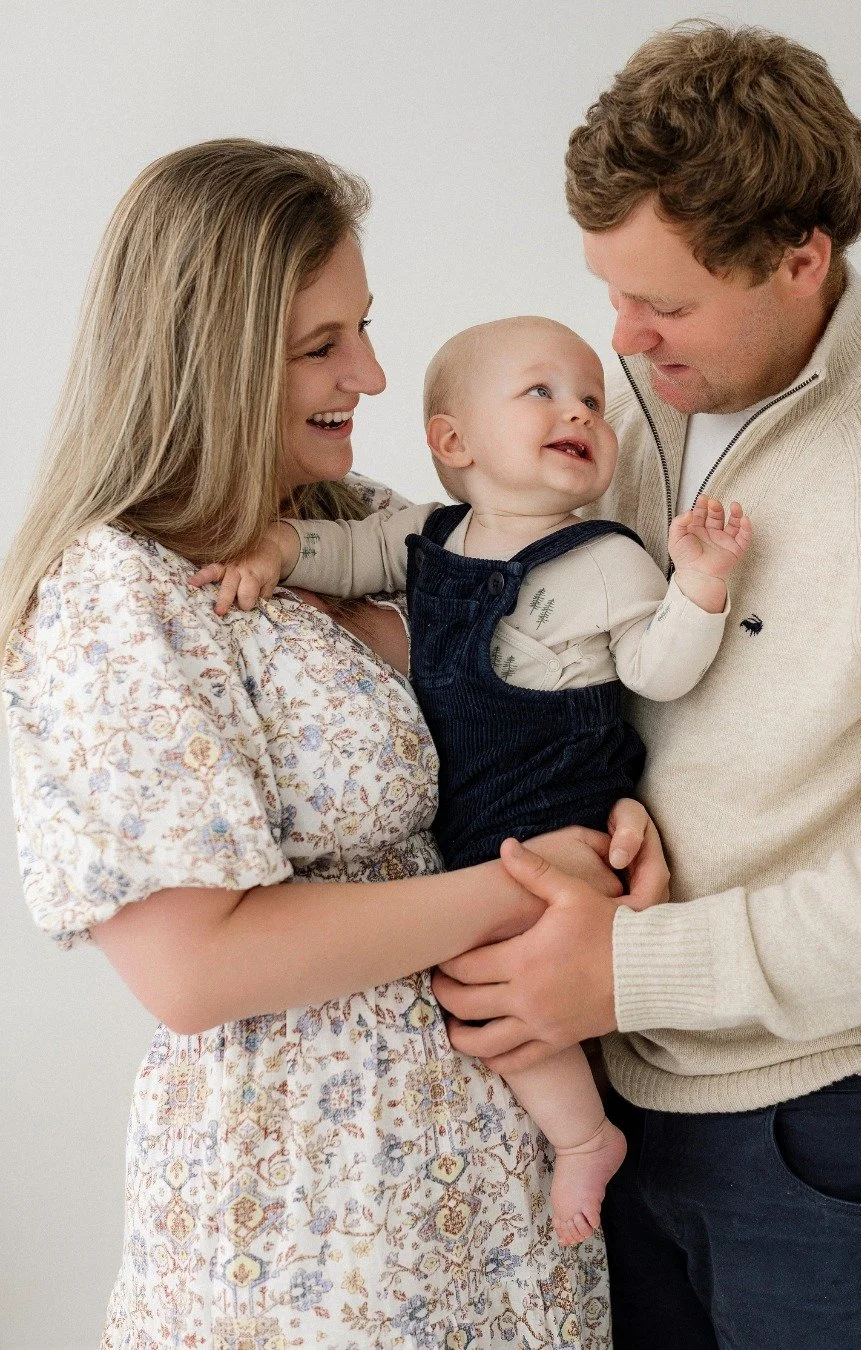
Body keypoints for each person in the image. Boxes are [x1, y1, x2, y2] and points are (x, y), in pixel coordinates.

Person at [431, 21, 861, 1348]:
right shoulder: (624, 408)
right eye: (610, 290)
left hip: (850, 1127)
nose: (621, 335)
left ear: (799, 262)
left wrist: (629, 964)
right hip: (621, 1102)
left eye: (661, 305)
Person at [0, 139, 668, 1348]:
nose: (368, 373)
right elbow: (193, 970)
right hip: (316, 1234)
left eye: (362, 326)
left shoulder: (354, 523)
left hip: (502, 1208)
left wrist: (621, 822)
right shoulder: (115, 595)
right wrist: (523, 891)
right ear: (208, 353)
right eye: (320, 345)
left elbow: (526, 708)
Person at [190, 312, 752, 1245]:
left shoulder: (606, 557)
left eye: (591, 402)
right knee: (485, 981)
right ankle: (583, 1127)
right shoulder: (429, 535)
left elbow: (659, 671)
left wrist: (698, 587)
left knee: (494, 986)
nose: (579, 410)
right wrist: (277, 555)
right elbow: (354, 553)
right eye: (543, 391)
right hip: (470, 820)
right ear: (455, 442)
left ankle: (582, 1138)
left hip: (554, 811)